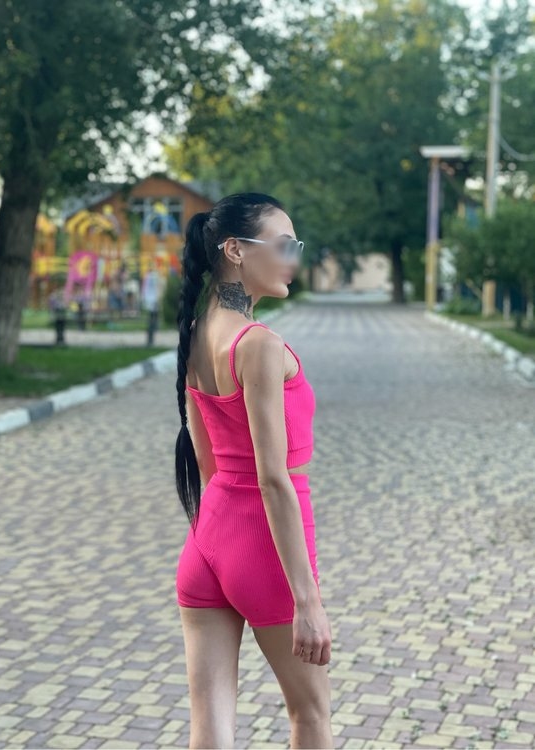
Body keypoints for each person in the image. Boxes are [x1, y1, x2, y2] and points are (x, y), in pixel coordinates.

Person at [173, 193, 333, 749]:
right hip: (263, 547)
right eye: (283, 245)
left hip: (208, 540)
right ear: (235, 250)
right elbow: (272, 478)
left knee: (210, 727)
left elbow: (208, 462)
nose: (292, 258)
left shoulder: (197, 333)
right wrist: (307, 601)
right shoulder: (258, 343)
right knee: (310, 715)